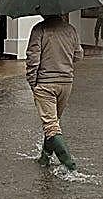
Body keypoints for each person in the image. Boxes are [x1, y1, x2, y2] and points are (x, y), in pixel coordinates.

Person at [26, 13, 82, 170]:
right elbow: (79, 55)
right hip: (66, 83)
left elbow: (33, 58)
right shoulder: (71, 30)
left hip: (45, 83)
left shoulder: (39, 30)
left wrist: (32, 82)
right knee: (53, 123)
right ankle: (45, 157)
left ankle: (70, 165)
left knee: (50, 125)